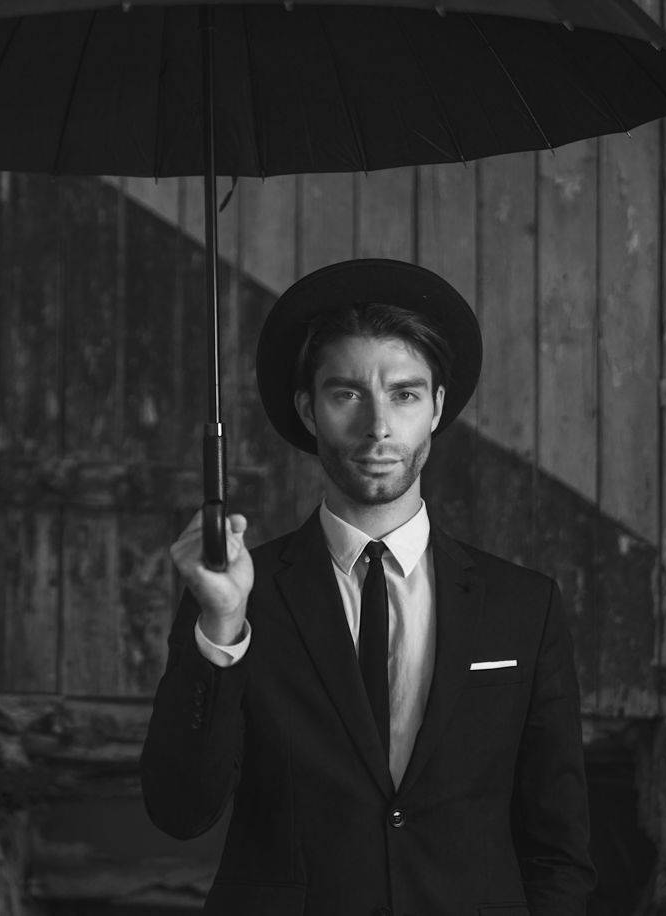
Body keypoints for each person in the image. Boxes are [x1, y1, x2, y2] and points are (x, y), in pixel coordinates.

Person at [140, 258, 595, 916]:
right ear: (309, 409)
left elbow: (559, 851)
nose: (378, 426)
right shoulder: (239, 595)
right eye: (347, 394)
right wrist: (221, 627)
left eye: (404, 394)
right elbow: (180, 811)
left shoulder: (524, 605)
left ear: (437, 407)